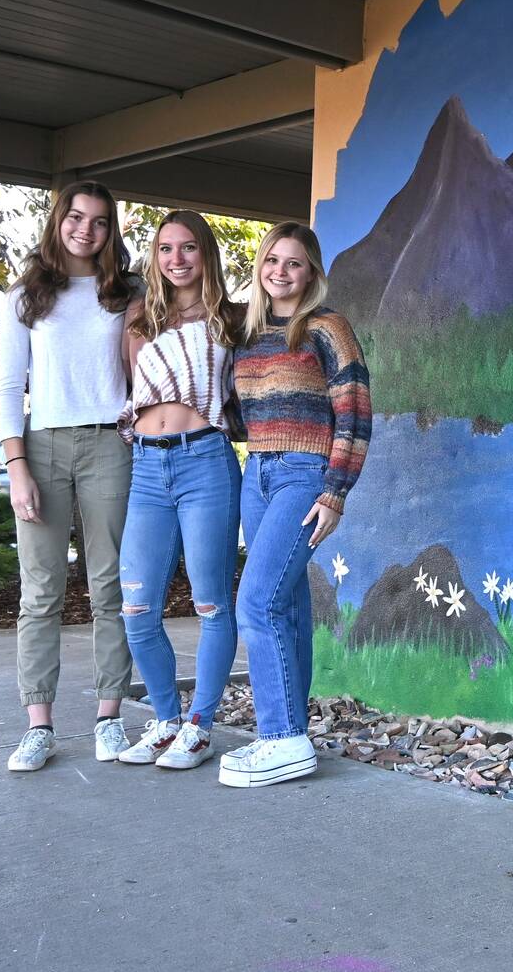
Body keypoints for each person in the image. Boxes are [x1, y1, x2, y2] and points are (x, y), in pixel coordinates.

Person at [219, 221, 371, 788]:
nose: (280, 272)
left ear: (311, 273)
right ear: (260, 266)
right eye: (272, 261)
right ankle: (293, 734)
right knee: (286, 607)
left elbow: (354, 410)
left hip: (304, 476)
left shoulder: (327, 329)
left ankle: (280, 738)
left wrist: (335, 492)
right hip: (255, 471)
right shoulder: (247, 331)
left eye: (294, 263)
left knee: (255, 602)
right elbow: (238, 412)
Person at [0, 182, 140, 772]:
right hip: (43, 448)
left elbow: (147, 366)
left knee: (111, 589)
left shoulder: (128, 293)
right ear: (58, 221)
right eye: (76, 218)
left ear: (111, 231)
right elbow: (8, 387)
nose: (87, 229)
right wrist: (16, 467)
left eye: (100, 222)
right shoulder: (25, 296)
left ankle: (109, 718)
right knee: (41, 593)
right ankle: (39, 726)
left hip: (111, 444)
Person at [113, 211, 245, 771]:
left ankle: (200, 726)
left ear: (205, 254)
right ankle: (165, 720)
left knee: (211, 602)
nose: (176, 259)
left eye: (188, 248)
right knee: (136, 606)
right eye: (165, 249)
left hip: (206, 463)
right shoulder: (139, 318)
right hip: (146, 468)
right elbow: (129, 387)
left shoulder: (233, 319)